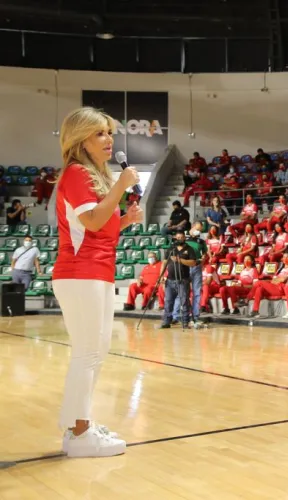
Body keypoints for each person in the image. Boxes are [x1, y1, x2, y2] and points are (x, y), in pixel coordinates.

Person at [53, 106, 143, 457]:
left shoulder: (96, 176)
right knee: (87, 353)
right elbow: (90, 222)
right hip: (79, 273)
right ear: (81, 140)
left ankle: (83, 424)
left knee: (96, 353)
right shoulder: (77, 173)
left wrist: (124, 221)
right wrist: (120, 188)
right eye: (99, 134)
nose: (109, 140)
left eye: (109, 132)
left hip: (97, 271)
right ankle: (78, 434)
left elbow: (99, 230)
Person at [159, 230, 197, 329]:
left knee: (184, 301)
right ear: (175, 238)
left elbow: (193, 262)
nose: (179, 239)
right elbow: (164, 263)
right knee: (168, 301)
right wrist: (161, 276)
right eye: (178, 237)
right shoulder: (171, 249)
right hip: (170, 280)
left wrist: (180, 260)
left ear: (184, 238)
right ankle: (166, 321)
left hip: (183, 280)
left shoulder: (189, 249)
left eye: (181, 237)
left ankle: (185, 322)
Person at [248, 252, 288, 318]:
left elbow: (284, 280)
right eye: (284, 257)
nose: (285, 258)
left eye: (287, 257)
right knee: (259, 289)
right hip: (274, 288)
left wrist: (278, 280)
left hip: (281, 289)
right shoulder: (279, 269)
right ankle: (255, 311)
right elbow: (273, 281)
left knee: (259, 283)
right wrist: (279, 280)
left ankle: (247, 299)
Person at [184, 222, 208, 326]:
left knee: (197, 292)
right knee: (184, 292)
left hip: (197, 267)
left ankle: (195, 316)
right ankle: (184, 316)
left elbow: (205, 253)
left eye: (200, 230)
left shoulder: (201, 241)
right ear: (192, 227)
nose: (199, 231)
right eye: (197, 229)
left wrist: (203, 258)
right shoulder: (184, 238)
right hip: (185, 267)